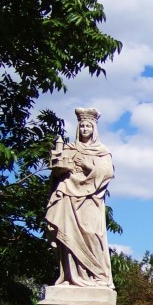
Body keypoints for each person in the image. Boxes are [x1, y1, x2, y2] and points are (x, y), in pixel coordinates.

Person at [46, 107, 115, 288]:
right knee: (69, 235)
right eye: (82, 126)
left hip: (89, 199)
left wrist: (87, 165)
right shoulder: (70, 148)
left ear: (94, 129)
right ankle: (71, 277)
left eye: (88, 126)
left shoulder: (102, 151)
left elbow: (107, 173)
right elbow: (57, 170)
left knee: (91, 233)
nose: (85, 129)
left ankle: (96, 275)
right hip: (68, 195)